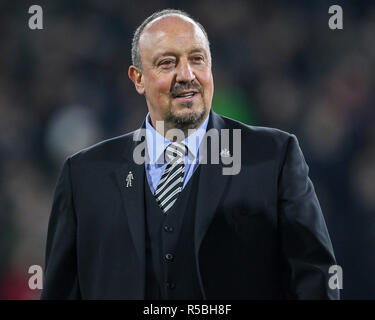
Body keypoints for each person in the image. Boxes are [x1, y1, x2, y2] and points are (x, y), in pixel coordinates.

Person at [41, 9, 339, 300]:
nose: (186, 75)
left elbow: (316, 278)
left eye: (197, 59)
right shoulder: (84, 176)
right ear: (138, 79)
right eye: (167, 63)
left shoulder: (273, 157)